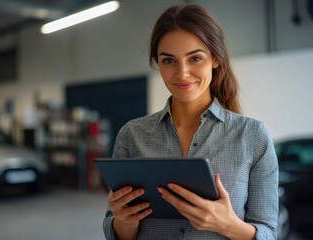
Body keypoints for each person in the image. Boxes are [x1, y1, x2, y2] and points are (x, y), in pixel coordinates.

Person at [103, 3, 278, 240]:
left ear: (215, 59)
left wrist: (228, 225)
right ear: (157, 64)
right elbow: (114, 229)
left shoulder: (253, 136)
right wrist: (124, 222)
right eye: (169, 61)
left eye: (195, 58)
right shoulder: (131, 135)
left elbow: (269, 232)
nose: (182, 73)